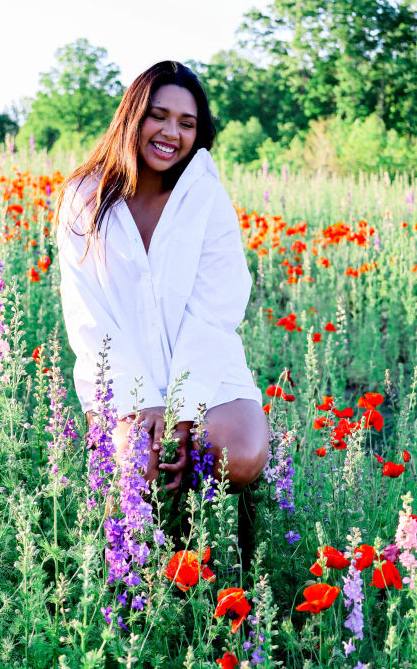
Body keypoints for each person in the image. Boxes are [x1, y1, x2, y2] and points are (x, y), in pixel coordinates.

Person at [55, 60, 268, 492]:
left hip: (205, 366)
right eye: (159, 116)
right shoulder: (84, 197)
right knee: (139, 464)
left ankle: (211, 535)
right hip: (117, 372)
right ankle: (134, 554)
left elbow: (215, 310)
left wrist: (182, 412)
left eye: (186, 123)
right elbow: (88, 315)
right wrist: (143, 401)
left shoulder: (205, 196)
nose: (172, 133)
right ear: (133, 116)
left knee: (238, 455)